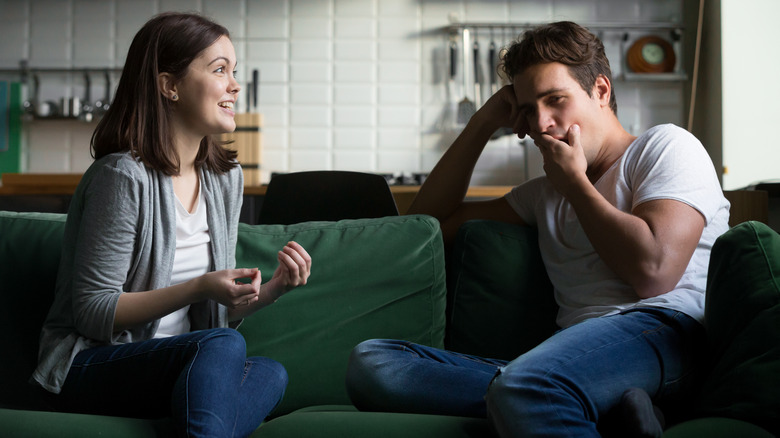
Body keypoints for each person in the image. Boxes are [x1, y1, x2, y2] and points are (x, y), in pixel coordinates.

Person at [345, 21, 730, 437]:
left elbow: (654, 272)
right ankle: (592, 402)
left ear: (600, 91)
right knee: (373, 365)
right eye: (528, 109)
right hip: (570, 355)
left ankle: (542, 390)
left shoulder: (665, 147)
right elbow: (425, 228)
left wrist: (576, 186)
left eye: (555, 100)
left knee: (526, 387)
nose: (541, 123)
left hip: (664, 331)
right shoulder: (541, 194)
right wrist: (483, 122)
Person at [30, 12, 312, 438]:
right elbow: (92, 313)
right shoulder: (123, 177)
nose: (235, 85)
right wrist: (199, 286)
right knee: (222, 347)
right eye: (220, 70)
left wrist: (274, 290)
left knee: (270, 373)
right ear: (170, 85)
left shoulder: (224, 179)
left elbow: (215, 312)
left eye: (234, 71)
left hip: (179, 364)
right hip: (93, 363)